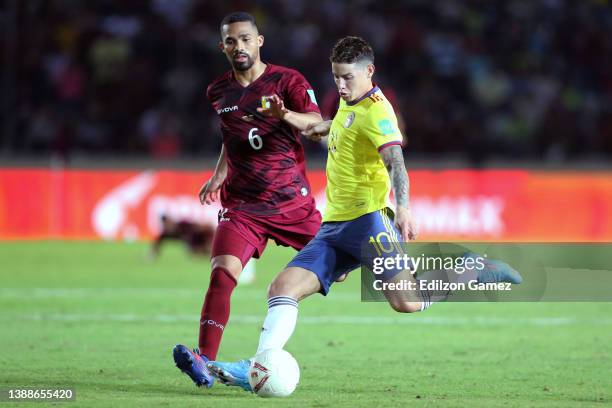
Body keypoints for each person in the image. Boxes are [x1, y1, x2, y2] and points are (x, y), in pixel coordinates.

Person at [206, 36, 523, 391]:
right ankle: (256, 369)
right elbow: (326, 127)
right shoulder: (349, 103)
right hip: (334, 226)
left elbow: (396, 162)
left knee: (408, 302)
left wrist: (403, 208)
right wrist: (286, 116)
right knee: (283, 288)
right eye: (336, 78)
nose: (340, 85)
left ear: (369, 71)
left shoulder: (378, 112)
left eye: (347, 78)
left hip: (370, 223)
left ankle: (472, 269)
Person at [172, 12, 324, 388]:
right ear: (222, 46)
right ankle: (204, 360)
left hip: (292, 204)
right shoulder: (218, 92)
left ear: (259, 42)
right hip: (243, 205)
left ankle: (444, 276)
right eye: (230, 41)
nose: (238, 46)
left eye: (244, 39)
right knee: (222, 273)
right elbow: (233, 135)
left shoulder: (288, 81)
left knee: (355, 262)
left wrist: (283, 113)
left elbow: (317, 125)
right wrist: (219, 173)